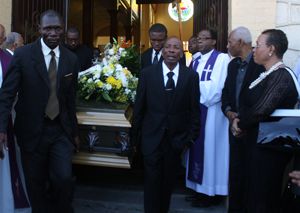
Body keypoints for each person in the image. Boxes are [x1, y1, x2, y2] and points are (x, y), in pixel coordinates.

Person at [0, 10, 79, 213]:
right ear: (39, 29)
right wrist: (0, 128)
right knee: (35, 183)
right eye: (48, 28)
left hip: (60, 131)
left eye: (57, 28)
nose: (53, 32)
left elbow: (70, 100)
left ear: (62, 29)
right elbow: (7, 94)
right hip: (32, 131)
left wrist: (74, 133)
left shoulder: (71, 59)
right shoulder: (23, 55)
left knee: (63, 178)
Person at [232, 29, 299, 212]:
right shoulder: (267, 74)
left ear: (271, 49)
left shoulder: (281, 76)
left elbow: (261, 110)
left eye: (258, 45)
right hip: (256, 146)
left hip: (270, 151)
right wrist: (238, 120)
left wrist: (239, 122)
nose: (254, 49)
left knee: (263, 198)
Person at [131, 36, 200, 213]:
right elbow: (139, 108)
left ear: (181, 52)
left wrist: (189, 139)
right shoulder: (147, 73)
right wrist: (135, 140)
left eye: (176, 47)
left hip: (176, 142)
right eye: (168, 47)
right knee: (152, 182)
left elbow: (194, 111)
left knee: (167, 183)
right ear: (162, 51)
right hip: (151, 139)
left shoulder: (190, 76)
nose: (171, 50)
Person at [221, 26, 265, 212]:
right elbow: (226, 93)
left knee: (252, 175)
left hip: (253, 129)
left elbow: (261, 99)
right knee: (235, 172)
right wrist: (229, 112)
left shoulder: (260, 65)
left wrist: (244, 120)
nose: (227, 45)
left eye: (230, 41)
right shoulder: (232, 65)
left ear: (240, 43)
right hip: (234, 128)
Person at [185, 28, 230, 207]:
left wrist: (192, 91)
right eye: (199, 38)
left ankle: (211, 193)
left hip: (212, 115)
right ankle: (198, 190)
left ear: (213, 42)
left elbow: (216, 89)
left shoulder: (221, 59)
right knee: (195, 151)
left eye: (206, 38)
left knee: (210, 153)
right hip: (197, 113)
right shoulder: (195, 60)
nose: (201, 41)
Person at [0, 24, 31, 213]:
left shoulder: (9, 59)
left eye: (1, 37)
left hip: (4, 120)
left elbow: (15, 91)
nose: (1, 40)